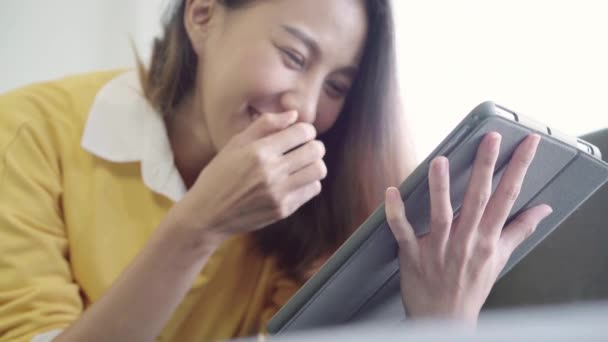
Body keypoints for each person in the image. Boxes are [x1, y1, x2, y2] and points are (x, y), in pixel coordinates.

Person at [0, 0, 553, 341]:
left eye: (337, 86)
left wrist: (442, 324)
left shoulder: (324, 192)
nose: (309, 111)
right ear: (202, 14)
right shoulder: (26, 131)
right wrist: (198, 229)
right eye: (292, 56)